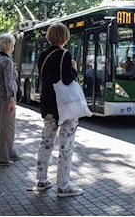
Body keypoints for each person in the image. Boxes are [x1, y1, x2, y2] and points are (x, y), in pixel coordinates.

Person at [31, 22, 83, 197]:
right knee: (66, 146)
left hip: (48, 106)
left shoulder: (43, 55)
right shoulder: (65, 55)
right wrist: (74, 68)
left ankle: (41, 180)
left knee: (46, 143)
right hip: (66, 107)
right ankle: (63, 186)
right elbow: (68, 79)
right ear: (65, 37)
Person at [0, 33, 22, 166]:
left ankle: (10, 152)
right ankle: (2, 158)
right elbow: (9, 82)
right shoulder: (6, 61)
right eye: (13, 44)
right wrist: (12, 100)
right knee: (7, 128)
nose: (14, 47)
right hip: (5, 98)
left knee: (3, 127)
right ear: (9, 46)